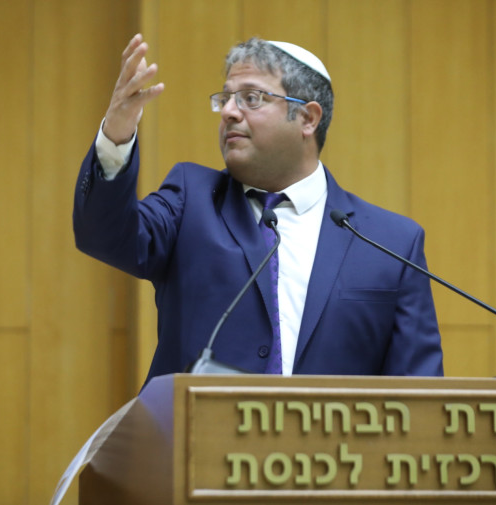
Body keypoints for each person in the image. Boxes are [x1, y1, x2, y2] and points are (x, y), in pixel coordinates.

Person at [74, 34, 443, 384]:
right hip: (193, 445)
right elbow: (104, 236)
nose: (230, 112)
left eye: (251, 98)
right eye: (227, 98)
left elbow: (419, 390)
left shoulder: (391, 243)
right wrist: (116, 136)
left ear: (307, 118)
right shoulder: (191, 201)